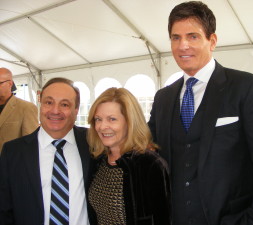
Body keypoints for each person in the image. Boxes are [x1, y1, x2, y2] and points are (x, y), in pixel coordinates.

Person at [148, 1, 253, 225]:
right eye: (176, 37)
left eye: (193, 36)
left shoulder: (248, 87)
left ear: (212, 41)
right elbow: (147, 150)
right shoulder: (163, 98)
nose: (182, 45)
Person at [0, 77, 93, 225]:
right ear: (40, 105)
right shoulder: (12, 152)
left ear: (76, 110)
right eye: (49, 103)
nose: (55, 111)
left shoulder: (93, 143)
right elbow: (3, 210)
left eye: (64, 104)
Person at [87, 87, 171, 225]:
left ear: (130, 122)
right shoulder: (98, 161)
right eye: (98, 119)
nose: (102, 126)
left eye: (112, 119)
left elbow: (163, 219)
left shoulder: (149, 164)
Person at [0, 67, 39, 152]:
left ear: (10, 84)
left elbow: (31, 143)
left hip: (10, 163)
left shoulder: (26, 108)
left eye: (0, 83)